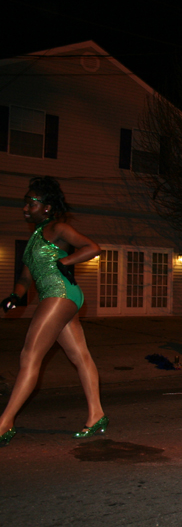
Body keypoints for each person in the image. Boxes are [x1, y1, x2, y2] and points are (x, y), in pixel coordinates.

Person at [0, 177, 106, 446]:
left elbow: (93, 248)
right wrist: (15, 296)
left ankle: (4, 423)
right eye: (25, 202)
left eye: (30, 201)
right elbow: (26, 278)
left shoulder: (58, 228)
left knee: (30, 355)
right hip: (58, 297)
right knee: (80, 356)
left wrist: (66, 261)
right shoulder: (34, 239)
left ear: (46, 207)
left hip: (60, 293)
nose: (25, 206)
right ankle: (97, 415)